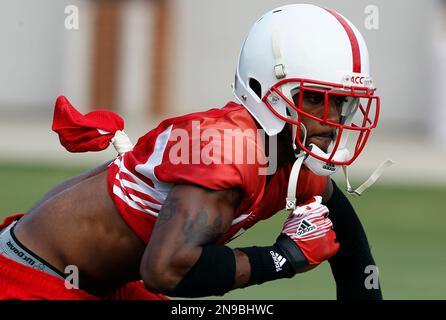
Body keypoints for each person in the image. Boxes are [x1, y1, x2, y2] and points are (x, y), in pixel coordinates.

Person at [0, 4, 383, 300]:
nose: (332, 120)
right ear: (267, 87)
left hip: (95, 280)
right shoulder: (230, 151)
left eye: (343, 102)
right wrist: (282, 257)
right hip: (31, 275)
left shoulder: (286, 153)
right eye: (316, 99)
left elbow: (350, 244)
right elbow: (167, 270)